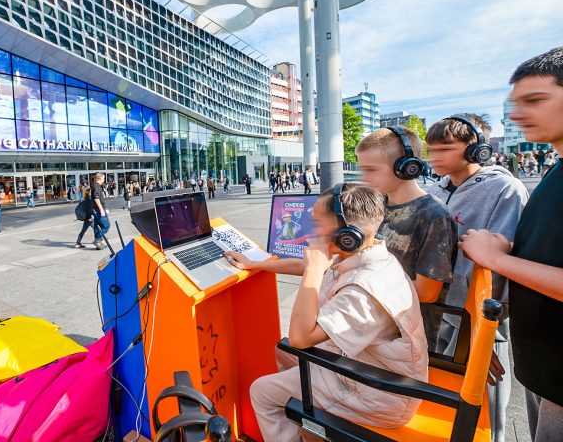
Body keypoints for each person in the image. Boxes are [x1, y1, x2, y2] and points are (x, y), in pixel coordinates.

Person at [226, 126, 457, 342]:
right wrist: (257, 264)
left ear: (406, 167)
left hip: (398, 340)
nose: (364, 179)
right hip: (357, 326)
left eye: (371, 170)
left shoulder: (433, 217)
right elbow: (322, 262)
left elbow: (427, 294)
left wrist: (354, 294)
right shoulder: (376, 207)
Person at [249, 183, 428, 440]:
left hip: (378, 396)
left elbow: (300, 338)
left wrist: (313, 271)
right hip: (367, 368)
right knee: (281, 350)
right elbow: (304, 265)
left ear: (347, 234)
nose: (312, 233)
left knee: (262, 391)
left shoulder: (364, 290)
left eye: (318, 225)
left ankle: (305, 424)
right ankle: (307, 423)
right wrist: (255, 264)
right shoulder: (367, 252)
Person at [460, 47, 563, 442]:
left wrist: (495, 259)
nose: (518, 115)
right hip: (543, 373)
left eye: (535, 101)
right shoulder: (555, 172)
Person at [426, 113, 527, 442]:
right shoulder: (433, 191)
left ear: (477, 150)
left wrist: (484, 337)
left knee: (483, 409)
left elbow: (502, 266)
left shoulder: (504, 190)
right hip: (436, 309)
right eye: (431, 149)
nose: (434, 157)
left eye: (445, 148)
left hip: (479, 317)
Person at [91, 172, 110, 250]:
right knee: (106, 225)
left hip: (96, 210)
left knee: (96, 226)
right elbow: (96, 198)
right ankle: (98, 240)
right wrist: (102, 209)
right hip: (99, 210)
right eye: (104, 178)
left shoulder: (95, 186)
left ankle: (98, 243)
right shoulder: (96, 186)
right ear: (100, 178)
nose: (104, 179)